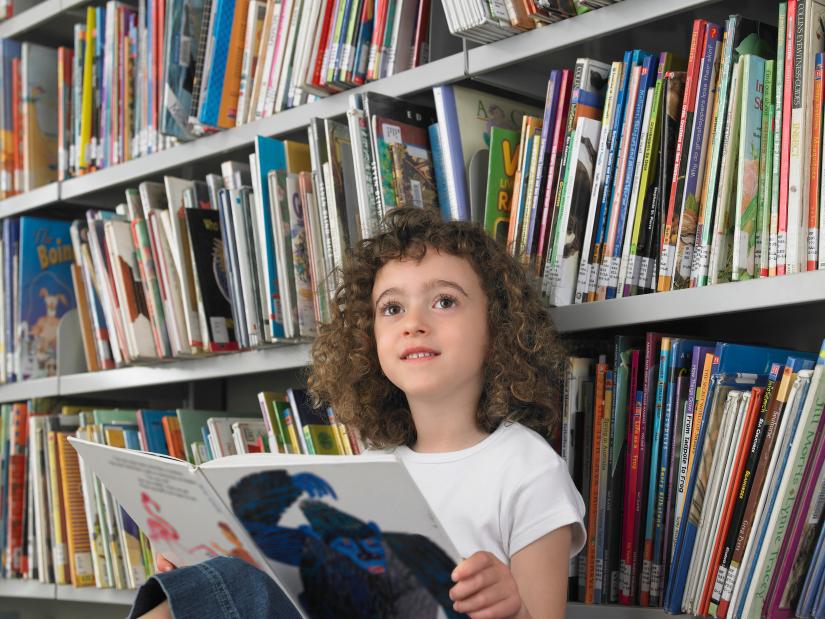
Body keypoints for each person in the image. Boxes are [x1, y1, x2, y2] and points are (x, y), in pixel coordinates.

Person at [129, 207, 586, 619]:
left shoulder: (528, 469)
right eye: (392, 308)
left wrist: (509, 608)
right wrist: (200, 576)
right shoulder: (374, 466)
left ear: (497, 326)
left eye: (445, 301)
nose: (414, 322)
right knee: (226, 580)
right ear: (369, 339)